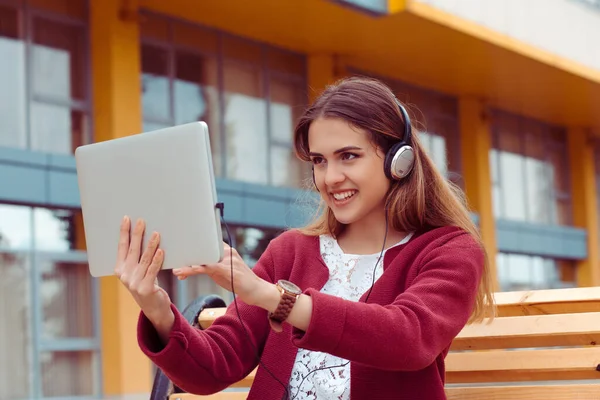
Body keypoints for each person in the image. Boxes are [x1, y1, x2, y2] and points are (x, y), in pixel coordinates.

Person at [115, 76, 495, 400]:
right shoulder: (290, 251)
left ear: (400, 160)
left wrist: (269, 296)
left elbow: (409, 338)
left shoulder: (449, 250)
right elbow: (212, 368)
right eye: (319, 160)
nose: (329, 178)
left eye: (348, 156)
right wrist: (156, 307)